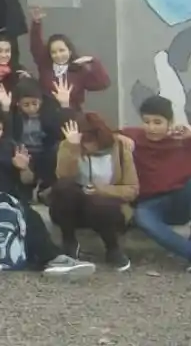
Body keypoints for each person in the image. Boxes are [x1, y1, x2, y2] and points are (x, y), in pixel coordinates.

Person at [0, 104, 94, 281]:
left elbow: (27, 180)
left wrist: (23, 167)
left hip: (6, 194)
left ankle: (52, 258)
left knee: (31, 216)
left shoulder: (10, 146)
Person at [49, 113, 138, 272]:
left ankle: (113, 249)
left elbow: (132, 189)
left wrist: (102, 190)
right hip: (74, 208)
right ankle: (69, 242)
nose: (88, 146)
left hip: (107, 209)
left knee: (98, 202)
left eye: (91, 141)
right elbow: (63, 176)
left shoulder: (119, 148)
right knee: (64, 188)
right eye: (84, 142)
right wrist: (73, 148)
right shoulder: (69, 146)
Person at [118, 95, 191, 269]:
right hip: (151, 204)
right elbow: (102, 132)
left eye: (158, 122)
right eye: (146, 122)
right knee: (142, 217)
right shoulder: (134, 135)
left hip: (182, 199)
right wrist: (118, 138)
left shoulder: (182, 139)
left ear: (170, 122)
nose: (151, 128)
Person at [27, 7, 111, 112]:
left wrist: (93, 61)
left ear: (70, 51)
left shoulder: (79, 70)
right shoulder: (46, 66)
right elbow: (36, 45)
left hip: (72, 116)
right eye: (54, 52)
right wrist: (36, 22)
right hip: (48, 115)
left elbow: (103, 83)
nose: (58, 55)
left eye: (62, 50)